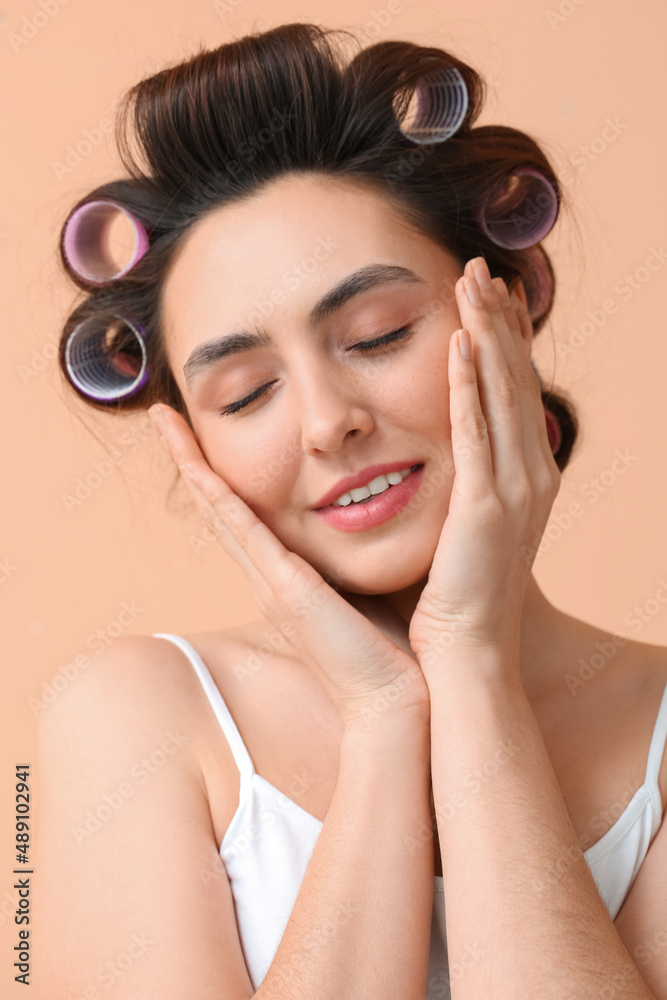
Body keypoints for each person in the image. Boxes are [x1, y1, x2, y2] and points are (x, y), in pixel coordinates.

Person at [35, 21, 667, 1000]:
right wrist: (383, 719)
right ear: (193, 440)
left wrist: (470, 664)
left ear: (497, 310)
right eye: (246, 393)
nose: (329, 424)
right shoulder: (129, 719)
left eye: (375, 335)